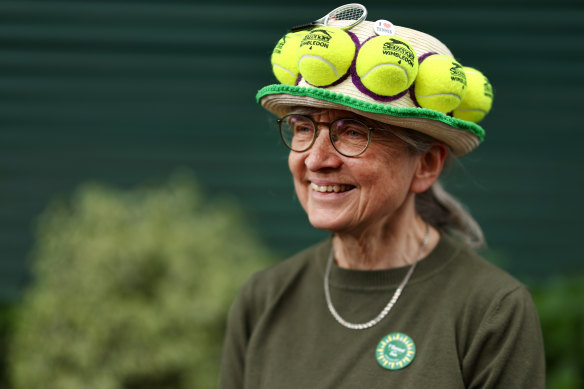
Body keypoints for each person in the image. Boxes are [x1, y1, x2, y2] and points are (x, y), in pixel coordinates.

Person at [220, 8, 545, 389]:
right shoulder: (263, 299)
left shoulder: (491, 310)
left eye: (352, 132)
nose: (316, 159)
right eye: (303, 128)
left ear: (425, 165)